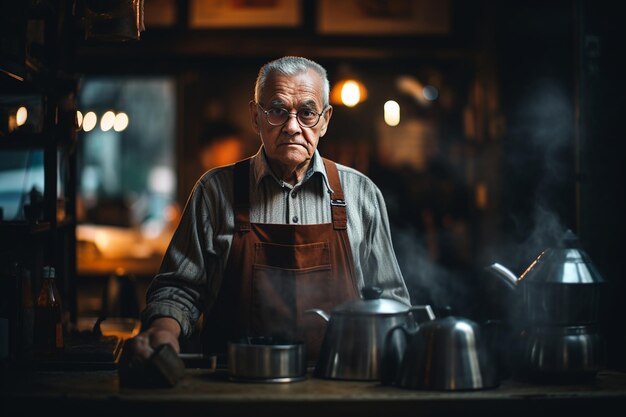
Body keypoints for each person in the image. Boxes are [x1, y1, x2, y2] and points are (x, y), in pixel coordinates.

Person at [121, 56, 410, 370]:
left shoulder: (360, 195)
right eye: (277, 111)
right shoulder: (214, 191)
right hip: (233, 385)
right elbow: (178, 289)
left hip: (340, 385)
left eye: (307, 113)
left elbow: (390, 300)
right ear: (255, 117)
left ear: (325, 120)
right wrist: (163, 332)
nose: (291, 126)